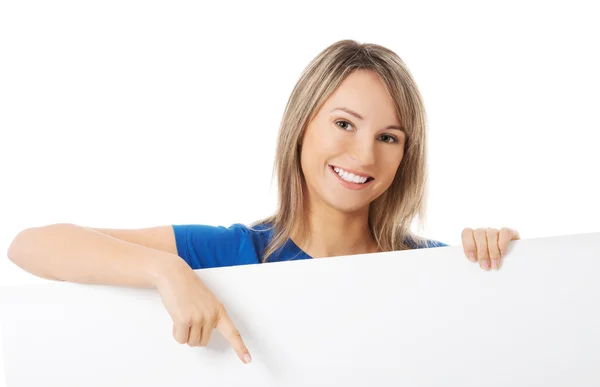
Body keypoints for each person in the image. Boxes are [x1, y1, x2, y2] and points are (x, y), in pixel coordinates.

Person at [6, 39, 520, 365]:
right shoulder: (234, 253)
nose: (364, 154)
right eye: (344, 123)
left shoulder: (431, 267)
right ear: (302, 128)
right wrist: (167, 271)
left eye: (389, 137)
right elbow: (31, 246)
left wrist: (505, 264)